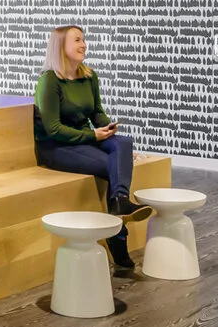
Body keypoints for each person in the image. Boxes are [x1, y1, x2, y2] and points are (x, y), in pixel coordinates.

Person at [33, 25, 154, 276]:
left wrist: (107, 128)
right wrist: (93, 135)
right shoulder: (49, 81)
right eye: (77, 40)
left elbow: (97, 113)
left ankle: (120, 201)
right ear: (61, 46)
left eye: (83, 39)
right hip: (57, 146)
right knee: (111, 165)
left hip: (85, 138)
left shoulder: (89, 76)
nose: (84, 44)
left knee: (123, 144)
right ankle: (118, 235)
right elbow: (53, 129)